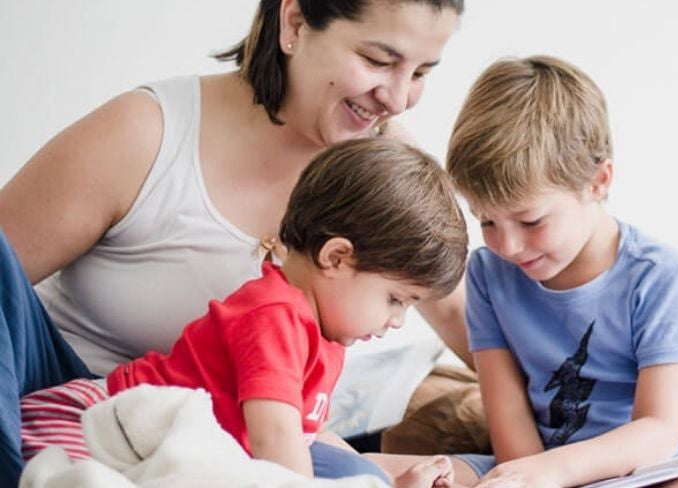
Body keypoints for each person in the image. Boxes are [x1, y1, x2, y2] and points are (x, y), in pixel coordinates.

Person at [0, 0, 468, 484]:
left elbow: (464, 315)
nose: (396, 98)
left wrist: (541, 450)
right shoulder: (147, 131)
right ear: (294, 22)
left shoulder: (390, 169)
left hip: (206, 434)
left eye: (421, 72)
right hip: (75, 391)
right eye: (377, 60)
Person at [15, 138, 468, 486]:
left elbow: (309, 442)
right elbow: (277, 446)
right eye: (396, 299)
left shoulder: (325, 335)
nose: (397, 321)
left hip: (162, 445)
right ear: (336, 257)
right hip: (93, 421)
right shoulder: (276, 316)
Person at [442, 55, 678, 486]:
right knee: (427, 473)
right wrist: (527, 478)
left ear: (597, 182)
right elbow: (509, 421)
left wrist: (549, 474)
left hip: (654, 469)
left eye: (530, 221)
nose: (507, 245)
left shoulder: (659, 275)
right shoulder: (489, 273)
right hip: (540, 466)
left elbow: (659, 428)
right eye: (486, 221)